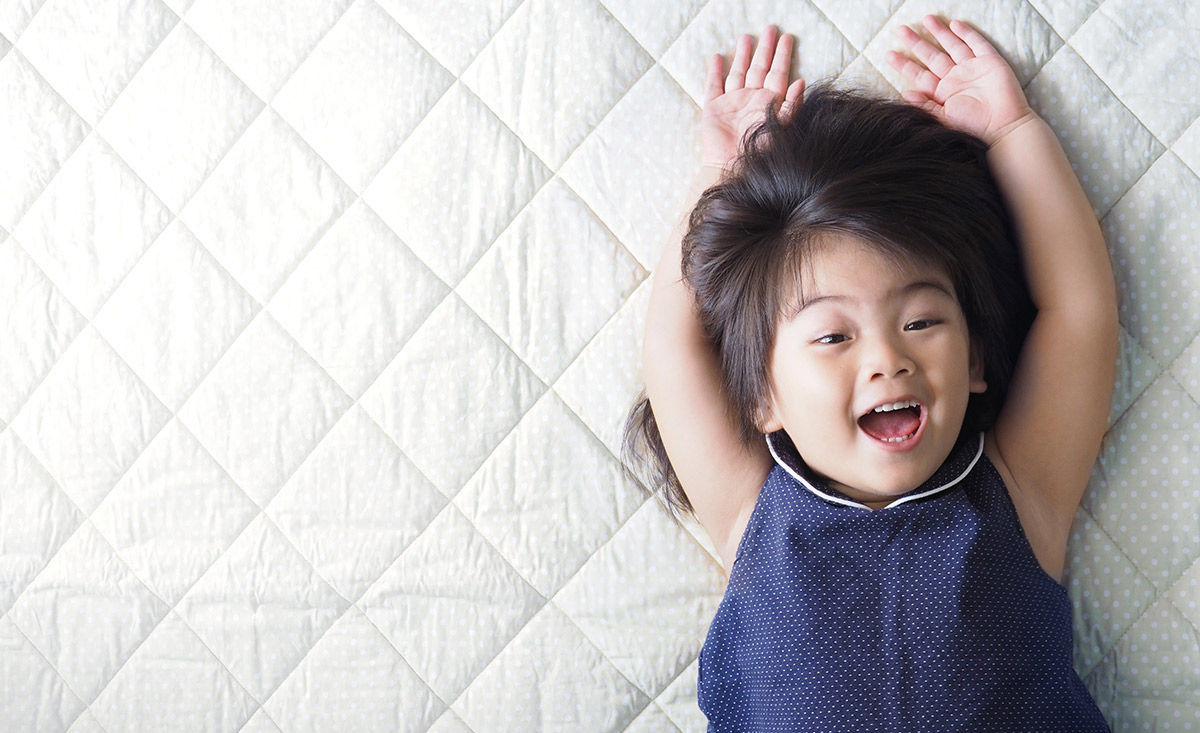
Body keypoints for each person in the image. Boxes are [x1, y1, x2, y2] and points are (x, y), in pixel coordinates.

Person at [622, 16, 1117, 730]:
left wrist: (1015, 136)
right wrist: (723, 181)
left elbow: (1078, 310)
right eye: (832, 335)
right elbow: (675, 348)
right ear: (763, 395)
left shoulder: (1018, 493)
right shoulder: (753, 516)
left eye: (921, 321)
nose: (889, 358)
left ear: (975, 359)